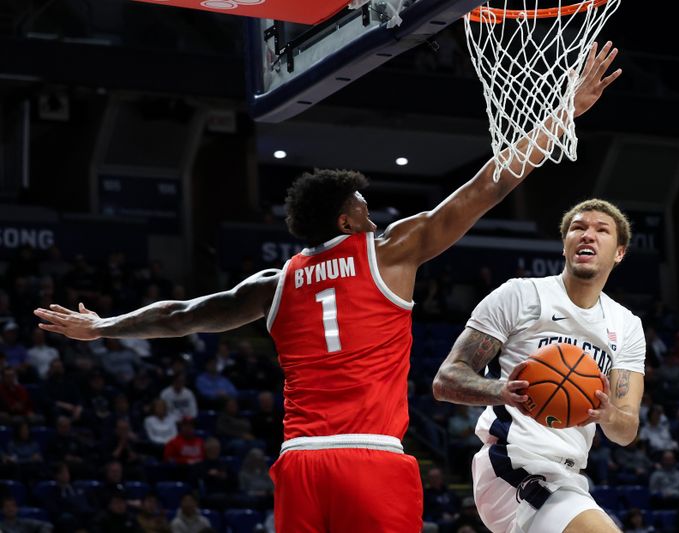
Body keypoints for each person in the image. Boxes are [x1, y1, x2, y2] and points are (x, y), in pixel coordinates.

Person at [32, 41, 621, 533]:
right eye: (365, 207)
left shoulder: (275, 282)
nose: (374, 214)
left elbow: (182, 314)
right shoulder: (389, 251)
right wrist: (563, 111)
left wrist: (104, 326)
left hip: (300, 465)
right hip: (371, 458)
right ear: (345, 220)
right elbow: (485, 185)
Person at [433, 195, 644, 532]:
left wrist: (609, 415)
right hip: (512, 463)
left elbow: (626, 430)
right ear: (565, 246)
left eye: (602, 230)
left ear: (619, 252)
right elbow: (446, 381)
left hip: (568, 474)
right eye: (578, 228)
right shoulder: (521, 295)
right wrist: (502, 390)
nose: (588, 234)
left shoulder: (626, 325)